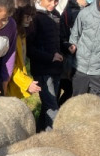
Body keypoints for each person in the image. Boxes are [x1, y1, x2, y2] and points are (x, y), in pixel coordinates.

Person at [29, 0, 63, 130]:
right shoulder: (33, 17)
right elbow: (29, 48)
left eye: (56, 1)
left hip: (56, 68)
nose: (53, 4)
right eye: (50, 0)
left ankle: (40, 132)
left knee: (47, 106)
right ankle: (54, 137)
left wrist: (66, 46)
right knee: (52, 108)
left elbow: (58, 39)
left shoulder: (56, 14)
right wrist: (50, 57)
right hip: (42, 70)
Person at [6, 0, 41, 100]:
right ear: (17, 15)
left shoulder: (21, 32)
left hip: (16, 83)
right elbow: (10, 65)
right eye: (27, 16)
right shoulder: (11, 34)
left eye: (31, 16)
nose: (30, 19)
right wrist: (26, 83)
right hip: (7, 84)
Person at [57, 0, 87, 105]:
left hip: (73, 57)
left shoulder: (83, 9)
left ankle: (61, 108)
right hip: (60, 57)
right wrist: (66, 45)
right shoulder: (61, 11)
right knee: (59, 89)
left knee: (72, 89)